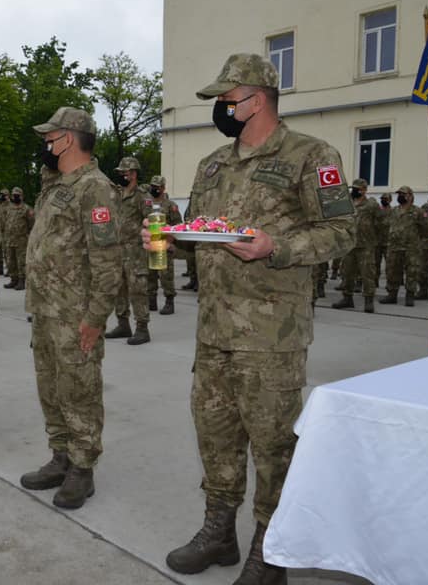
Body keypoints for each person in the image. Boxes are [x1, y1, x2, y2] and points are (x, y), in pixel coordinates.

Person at [144, 54, 355, 583]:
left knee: (273, 445)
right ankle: (219, 531)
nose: (220, 108)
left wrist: (275, 246)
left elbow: (342, 232)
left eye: (227, 99)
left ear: (257, 100)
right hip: (214, 329)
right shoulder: (212, 163)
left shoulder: (311, 155)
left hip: (270, 334)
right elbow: (203, 232)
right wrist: (171, 238)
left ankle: (271, 549)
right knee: (214, 434)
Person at [20, 106, 121, 510]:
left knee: (79, 390)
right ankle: (60, 455)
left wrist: (95, 318)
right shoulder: (57, 185)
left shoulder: (95, 188)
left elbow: (108, 262)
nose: (45, 144)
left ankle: (82, 467)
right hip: (46, 309)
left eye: (50, 138)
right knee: (51, 387)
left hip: (74, 313)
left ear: (67, 139)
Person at [104, 156, 153, 345]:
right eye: (120, 173)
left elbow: (152, 221)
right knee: (119, 289)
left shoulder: (143, 197)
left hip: (135, 252)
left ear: (133, 174)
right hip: (117, 250)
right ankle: (123, 324)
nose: (121, 176)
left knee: (137, 290)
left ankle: (142, 328)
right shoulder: (116, 194)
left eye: (124, 173)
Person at [332, 178, 381, 313]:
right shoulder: (347, 203)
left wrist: (373, 237)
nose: (354, 191)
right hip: (349, 244)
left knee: (367, 274)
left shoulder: (371, 205)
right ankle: (347, 298)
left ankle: (369, 300)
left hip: (365, 245)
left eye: (357, 189)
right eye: (353, 188)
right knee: (347, 273)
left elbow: (380, 222)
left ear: (364, 190)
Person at [378, 185, 426, 306]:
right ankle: (392, 294)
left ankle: (410, 295)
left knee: (412, 271)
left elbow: (425, 229)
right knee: (392, 271)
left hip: (411, 247)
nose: (400, 196)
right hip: (394, 247)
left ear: (410, 196)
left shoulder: (418, 211)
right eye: (399, 194)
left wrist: (414, 239)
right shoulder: (393, 211)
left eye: (403, 194)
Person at [146, 175, 183, 315]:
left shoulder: (170, 205)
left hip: (164, 244)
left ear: (163, 188)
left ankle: (169, 301)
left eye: (157, 187)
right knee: (150, 274)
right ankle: (151, 300)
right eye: (152, 186)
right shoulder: (146, 204)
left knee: (165, 276)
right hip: (149, 244)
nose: (154, 189)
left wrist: (170, 242)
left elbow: (178, 225)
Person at [3, 186, 35, 292]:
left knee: (21, 261)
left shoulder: (27, 209)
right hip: (9, 239)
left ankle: (22, 280)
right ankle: (14, 279)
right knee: (10, 261)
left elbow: (32, 224)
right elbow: (5, 221)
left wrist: (27, 235)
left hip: (21, 240)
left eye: (18, 195)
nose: (15, 197)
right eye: (14, 195)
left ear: (22, 196)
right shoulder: (9, 208)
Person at [375, 192, 392, 287]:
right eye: (382, 199)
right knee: (375, 263)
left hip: (388, 242)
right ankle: (375, 281)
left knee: (389, 264)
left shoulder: (393, 211)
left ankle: (389, 283)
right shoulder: (378, 211)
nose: (383, 200)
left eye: (385, 199)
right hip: (377, 241)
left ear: (390, 200)